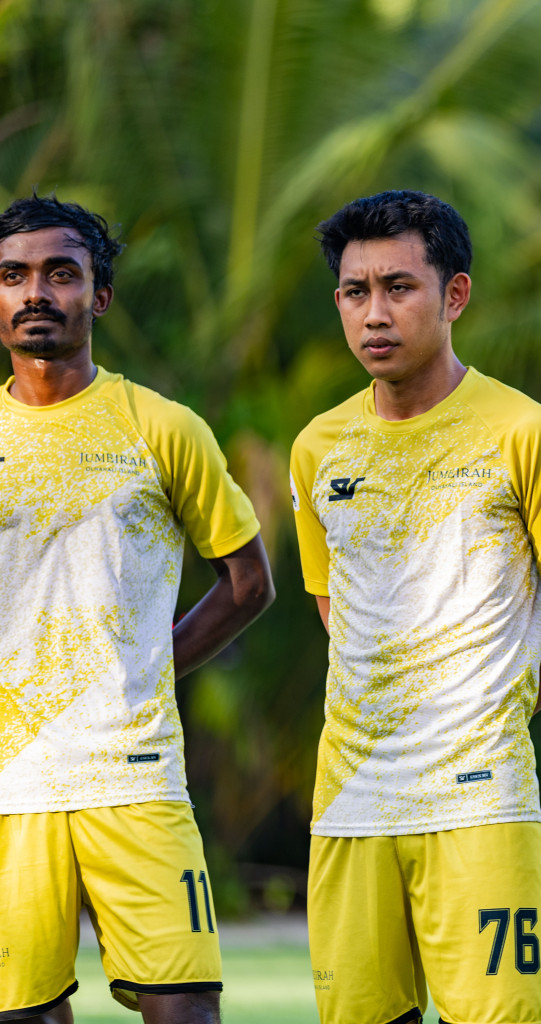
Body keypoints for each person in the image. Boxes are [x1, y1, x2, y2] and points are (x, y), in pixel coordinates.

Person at [290, 190, 541, 1024]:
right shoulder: (318, 446)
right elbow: (338, 612)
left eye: (399, 287)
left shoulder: (523, 430)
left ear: (454, 295)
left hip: (478, 798)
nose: (375, 313)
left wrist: (489, 711)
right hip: (350, 798)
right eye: (356, 293)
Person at [0, 195, 274, 1024]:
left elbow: (247, 582)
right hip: (10, 785)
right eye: (13, 276)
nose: (35, 292)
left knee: (184, 1012)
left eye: (61, 273)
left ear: (100, 297)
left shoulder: (161, 427)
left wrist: (150, 663)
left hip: (135, 775)